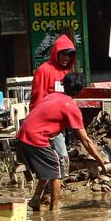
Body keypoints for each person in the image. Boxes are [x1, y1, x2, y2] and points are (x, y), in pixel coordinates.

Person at [16, 72, 107, 211]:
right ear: (81, 90)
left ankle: (35, 199)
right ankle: (54, 208)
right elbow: (86, 140)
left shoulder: (53, 96)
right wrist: (100, 160)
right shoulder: (71, 107)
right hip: (36, 137)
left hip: (23, 134)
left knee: (47, 167)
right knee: (58, 169)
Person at [30, 35, 78, 178]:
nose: (66, 58)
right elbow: (37, 99)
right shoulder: (43, 71)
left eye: (70, 55)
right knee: (58, 158)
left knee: (60, 159)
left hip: (58, 125)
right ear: (56, 52)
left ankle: (52, 189)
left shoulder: (66, 72)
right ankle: (51, 191)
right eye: (63, 54)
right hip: (44, 125)